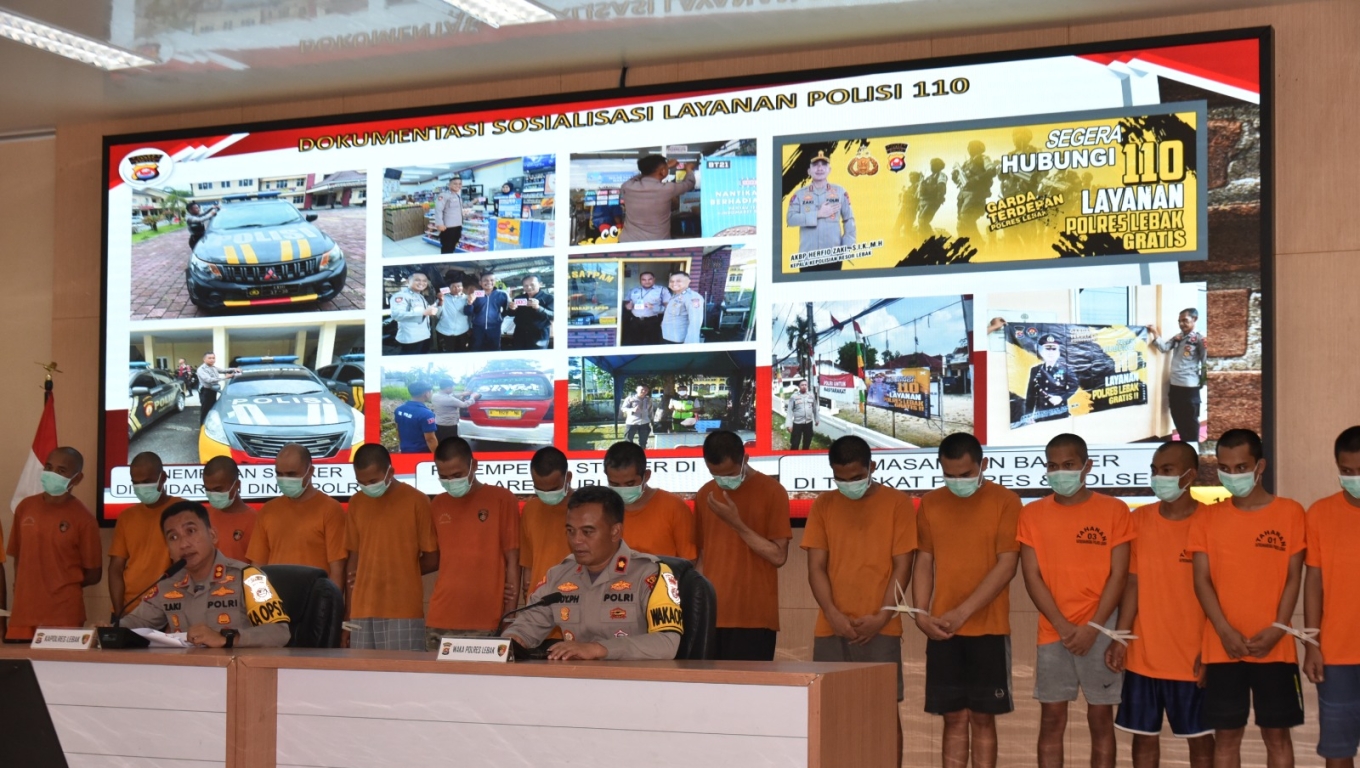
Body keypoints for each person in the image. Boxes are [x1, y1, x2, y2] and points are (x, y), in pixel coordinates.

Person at [1189, 428, 1305, 767]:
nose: (1232, 475)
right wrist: (1224, 631)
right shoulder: (1207, 517)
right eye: (1225, 467)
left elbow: (1294, 577)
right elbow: (1201, 581)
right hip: (1223, 647)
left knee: (1277, 737)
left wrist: (1278, 627)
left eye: (1241, 467)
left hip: (1276, 647)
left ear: (1260, 466)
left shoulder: (1290, 512)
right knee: (1226, 737)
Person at [1017, 433, 1133, 768]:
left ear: (1087, 466)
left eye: (1068, 465)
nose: (1060, 472)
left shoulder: (1114, 509)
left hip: (1101, 629)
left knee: (1100, 720)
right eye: (1053, 466)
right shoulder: (1032, 514)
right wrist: (1064, 625)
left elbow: (1119, 575)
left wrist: (1092, 628)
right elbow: (1032, 576)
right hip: (1055, 631)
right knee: (1052, 720)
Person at [912, 433, 1022, 768]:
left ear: (982, 465)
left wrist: (963, 612)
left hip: (987, 628)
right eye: (949, 475)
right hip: (943, 630)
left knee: (983, 718)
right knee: (953, 718)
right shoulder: (930, 503)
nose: (957, 482)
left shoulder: (1006, 501)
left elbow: (1007, 565)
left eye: (965, 474)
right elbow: (925, 561)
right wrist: (920, 613)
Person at [803, 435, 916, 753]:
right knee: (831, 717)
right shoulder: (823, 505)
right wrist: (833, 614)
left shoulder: (898, 503)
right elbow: (816, 569)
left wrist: (882, 615)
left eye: (855, 478)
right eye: (840, 479)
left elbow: (902, 567)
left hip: (880, 628)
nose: (848, 485)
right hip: (831, 627)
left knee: (882, 717)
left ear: (872, 467)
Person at [1105, 442, 1214, 768]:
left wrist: (1210, 649)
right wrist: (1121, 639)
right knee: (1143, 738)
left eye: (1166, 470)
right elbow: (1133, 584)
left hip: (1193, 658)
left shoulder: (1212, 521)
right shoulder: (1138, 522)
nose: (1158, 477)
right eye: (1154, 470)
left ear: (1189, 475)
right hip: (1144, 655)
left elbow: (1220, 592)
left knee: (1201, 741)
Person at [503, 485, 684, 660]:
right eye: (570, 531)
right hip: (574, 683)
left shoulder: (650, 574)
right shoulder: (558, 576)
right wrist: (513, 639)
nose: (576, 540)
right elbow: (527, 625)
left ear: (615, 531)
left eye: (587, 532)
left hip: (633, 685)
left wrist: (600, 649)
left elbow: (668, 642)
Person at [120, 501, 290, 648]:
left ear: (213, 535)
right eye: (173, 537)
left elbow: (279, 632)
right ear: (168, 550)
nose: (184, 544)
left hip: (236, 675)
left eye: (191, 531)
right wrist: (105, 630)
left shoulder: (249, 577)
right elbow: (133, 624)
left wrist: (227, 638)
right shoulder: (167, 584)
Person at [696, 430, 791, 661]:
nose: (722, 480)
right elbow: (700, 558)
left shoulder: (772, 491)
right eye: (715, 474)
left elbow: (778, 556)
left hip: (755, 619)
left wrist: (736, 524)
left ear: (745, 459)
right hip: (711, 617)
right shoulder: (705, 494)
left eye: (729, 473)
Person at [425, 437, 520, 650]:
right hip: (439, 618)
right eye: (444, 477)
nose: (451, 481)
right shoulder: (438, 504)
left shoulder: (502, 499)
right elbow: (434, 558)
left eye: (457, 475)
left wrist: (510, 615)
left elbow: (513, 561)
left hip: (486, 620)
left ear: (473, 466)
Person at [346, 444, 439, 651]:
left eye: (373, 481)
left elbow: (432, 558)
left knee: (403, 678)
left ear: (390, 471)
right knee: (363, 679)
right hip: (361, 610)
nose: (368, 486)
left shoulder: (417, 501)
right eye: (361, 482)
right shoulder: (356, 503)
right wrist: (349, 610)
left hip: (403, 610)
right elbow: (354, 557)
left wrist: (402, 571)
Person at [1305, 426, 1360, 768]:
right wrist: (1312, 643)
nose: (1354, 478)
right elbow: (1314, 581)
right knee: (1338, 753)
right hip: (1336, 655)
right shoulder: (1320, 513)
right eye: (1347, 471)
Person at [5, 447, 101, 641]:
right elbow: (18, 555)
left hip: (63, 615)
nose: (52, 474)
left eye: (61, 471)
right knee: (19, 670)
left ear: (77, 478)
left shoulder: (85, 519)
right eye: (48, 468)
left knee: (59, 670)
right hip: (23, 614)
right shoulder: (25, 507)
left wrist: (59, 583)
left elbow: (93, 574)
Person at [246, 443, 348, 591]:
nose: (284, 479)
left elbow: (337, 571)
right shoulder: (268, 510)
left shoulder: (331, 509)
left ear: (310, 471)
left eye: (292, 474)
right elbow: (257, 567)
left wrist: (332, 608)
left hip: (315, 602)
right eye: (279, 473)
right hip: (275, 606)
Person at [109, 451, 180, 613]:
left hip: (169, 610)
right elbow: (115, 569)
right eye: (136, 483)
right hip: (129, 609)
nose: (141, 488)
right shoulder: (127, 517)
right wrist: (120, 613)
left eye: (147, 482)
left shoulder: (184, 511)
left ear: (163, 477)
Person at [603, 440, 696, 559]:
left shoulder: (674, 508)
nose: (623, 489)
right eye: (615, 484)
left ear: (646, 476)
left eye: (630, 483)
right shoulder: (601, 510)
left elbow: (689, 561)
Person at [1147, 309, 1208, 450]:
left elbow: (1206, 362)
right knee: (1177, 415)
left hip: (1189, 386)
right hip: (1175, 384)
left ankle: (1192, 447)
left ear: (1195, 319)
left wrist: (1202, 383)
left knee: (1190, 420)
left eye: (1185, 320)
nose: (1182, 324)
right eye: (1180, 321)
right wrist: (1154, 332)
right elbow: (1164, 348)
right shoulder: (1178, 337)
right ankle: (1183, 443)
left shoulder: (1200, 339)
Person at [787, 150, 856, 272]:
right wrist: (818, 214)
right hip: (807, 257)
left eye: (823, 164)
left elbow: (849, 219)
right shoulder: (799, 194)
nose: (819, 168)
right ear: (809, 171)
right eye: (815, 164)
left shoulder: (840, 192)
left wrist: (846, 246)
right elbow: (790, 219)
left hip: (833, 256)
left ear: (829, 169)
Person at [521, 447, 574, 602]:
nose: (546, 495)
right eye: (539, 489)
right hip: (538, 604)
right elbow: (528, 565)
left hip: (578, 604)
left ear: (568, 477)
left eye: (552, 489)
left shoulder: (587, 509)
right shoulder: (530, 509)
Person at [618, 155, 695, 243]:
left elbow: (638, 177)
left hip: (628, 242)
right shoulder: (667, 189)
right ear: (663, 171)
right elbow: (689, 183)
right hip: (656, 245)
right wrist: (689, 169)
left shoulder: (627, 186)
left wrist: (659, 168)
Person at [202, 456, 256, 562]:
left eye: (218, 489)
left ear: (236, 485)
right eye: (208, 489)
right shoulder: (202, 517)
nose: (213, 494)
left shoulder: (255, 521)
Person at [1023, 333, 1079, 424]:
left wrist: (1061, 398)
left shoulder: (1066, 369)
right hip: (1041, 415)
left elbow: (1075, 386)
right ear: (1041, 351)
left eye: (1054, 349)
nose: (1050, 352)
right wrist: (1028, 415)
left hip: (1059, 413)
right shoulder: (1035, 370)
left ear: (1058, 352)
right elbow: (1031, 395)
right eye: (1047, 348)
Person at [952, 140, 998, 245]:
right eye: (969, 146)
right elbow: (959, 180)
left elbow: (991, 171)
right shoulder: (966, 163)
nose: (970, 148)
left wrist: (976, 179)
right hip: (963, 195)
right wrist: (955, 176)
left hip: (976, 195)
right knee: (960, 224)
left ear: (979, 148)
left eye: (973, 146)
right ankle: (968, 246)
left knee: (966, 218)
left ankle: (978, 244)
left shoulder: (983, 158)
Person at [390, 272, 437, 355]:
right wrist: (424, 313)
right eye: (417, 280)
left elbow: (427, 310)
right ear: (408, 281)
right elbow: (397, 315)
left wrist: (439, 302)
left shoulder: (420, 296)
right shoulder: (401, 296)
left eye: (424, 281)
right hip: (411, 339)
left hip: (424, 336)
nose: (422, 283)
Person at [465, 272, 510, 352]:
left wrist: (500, 318)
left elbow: (507, 311)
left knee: (494, 349)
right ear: (480, 283)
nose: (489, 282)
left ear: (495, 282)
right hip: (478, 329)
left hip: (495, 328)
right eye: (485, 280)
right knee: (476, 349)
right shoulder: (474, 295)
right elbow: (468, 313)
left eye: (492, 280)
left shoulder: (502, 294)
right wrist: (470, 303)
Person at [623, 271, 670, 345]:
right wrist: (627, 305)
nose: (647, 282)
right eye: (644, 279)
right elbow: (626, 302)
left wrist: (654, 307)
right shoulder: (633, 290)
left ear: (654, 279)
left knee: (652, 344)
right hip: (635, 321)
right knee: (635, 343)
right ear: (640, 280)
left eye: (649, 279)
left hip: (653, 321)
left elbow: (669, 307)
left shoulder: (662, 290)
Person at [393, 380, 438, 453]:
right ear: (426, 393)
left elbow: (398, 429)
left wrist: (400, 446)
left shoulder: (399, 409)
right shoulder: (427, 414)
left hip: (405, 449)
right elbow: (430, 439)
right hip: (421, 452)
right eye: (431, 391)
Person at [430, 376, 479, 444]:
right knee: (450, 443)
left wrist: (462, 394)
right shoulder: (449, 399)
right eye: (452, 387)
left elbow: (451, 395)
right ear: (448, 388)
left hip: (438, 423)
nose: (453, 388)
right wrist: (472, 397)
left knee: (440, 441)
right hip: (449, 425)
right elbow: (464, 404)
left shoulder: (435, 395)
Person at [511, 275, 554, 350]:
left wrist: (538, 308)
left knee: (538, 358)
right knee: (519, 357)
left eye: (532, 284)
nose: (529, 287)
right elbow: (510, 314)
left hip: (539, 335)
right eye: (526, 285)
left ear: (540, 284)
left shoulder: (549, 298)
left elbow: (553, 315)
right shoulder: (518, 298)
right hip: (520, 334)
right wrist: (511, 308)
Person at [660, 271, 704, 345]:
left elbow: (695, 322)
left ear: (688, 282)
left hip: (679, 340)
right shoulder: (675, 296)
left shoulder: (692, 297)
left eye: (678, 281)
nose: (674, 284)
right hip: (669, 336)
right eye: (672, 281)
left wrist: (690, 344)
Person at [196, 352, 238, 425]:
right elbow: (208, 379)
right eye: (209, 358)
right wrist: (225, 377)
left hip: (213, 391)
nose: (212, 360)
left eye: (213, 358)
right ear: (204, 359)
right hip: (206, 392)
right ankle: (202, 426)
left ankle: (210, 425)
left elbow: (223, 370)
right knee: (205, 410)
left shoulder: (213, 367)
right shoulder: (202, 369)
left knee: (212, 408)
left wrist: (234, 369)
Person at [434, 273, 472, 352]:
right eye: (454, 286)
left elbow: (470, 315)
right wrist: (440, 302)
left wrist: (470, 303)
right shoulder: (443, 297)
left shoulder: (467, 298)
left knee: (461, 354)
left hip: (462, 332)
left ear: (462, 287)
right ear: (449, 288)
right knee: (446, 356)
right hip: (444, 332)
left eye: (459, 286)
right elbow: (437, 315)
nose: (457, 288)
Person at [917, 158, 948, 237]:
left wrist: (938, 198)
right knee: (921, 221)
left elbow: (941, 187)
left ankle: (931, 239)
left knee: (923, 220)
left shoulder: (941, 175)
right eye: (931, 165)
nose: (932, 167)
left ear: (939, 166)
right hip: (924, 201)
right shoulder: (929, 177)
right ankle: (926, 238)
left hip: (932, 201)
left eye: (934, 165)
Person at [786, 379, 819, 450]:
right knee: (795, 443)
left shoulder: (811, 395)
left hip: (808, 423)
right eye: (802, 385)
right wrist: (789, 425)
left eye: (805, 385)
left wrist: (817, 419)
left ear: (807, 386)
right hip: (797, 423)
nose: (804, 386)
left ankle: (804, 456)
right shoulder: (794, 396)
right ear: (799, 386)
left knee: (807, 442)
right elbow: (789, 411)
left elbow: (815, 408)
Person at [435, 178, 464, 254]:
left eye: (460, 183)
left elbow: (460, 208)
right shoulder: (444, 195)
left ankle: (449, 262)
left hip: (458, 226)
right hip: (448, 228)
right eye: (455, 183)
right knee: (447, 248)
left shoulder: (458, 196)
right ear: (449, 185)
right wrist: (439, 224)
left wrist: (474, 201)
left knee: (453, 246)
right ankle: (444, 264)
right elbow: (438, 209)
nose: (458, 185)